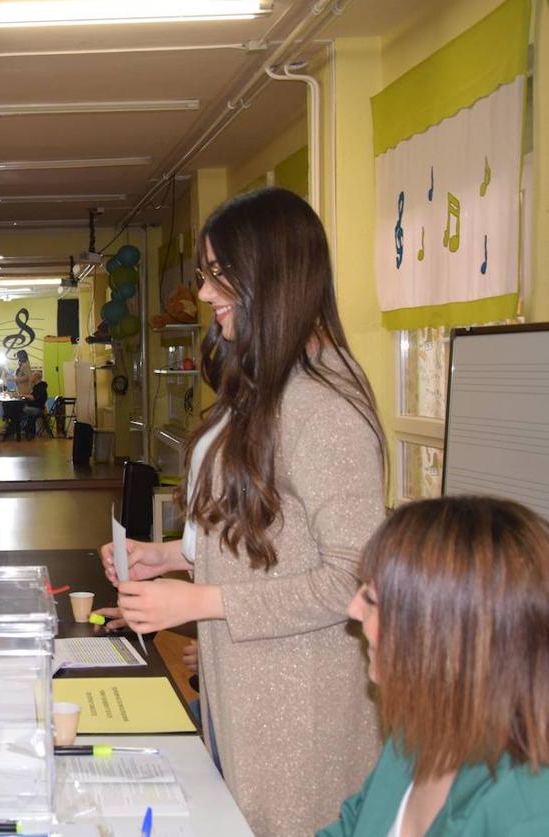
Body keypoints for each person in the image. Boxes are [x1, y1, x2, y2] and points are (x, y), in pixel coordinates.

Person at [100, 187, 386, 836]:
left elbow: (353, 577)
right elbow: (264, 529)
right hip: (246, 691)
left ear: (271, 272)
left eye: (216, 274)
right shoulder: (268, 384)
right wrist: (172, 555)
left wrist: (199, 602)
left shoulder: (327, 406)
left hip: (299, 710)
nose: (203, 294)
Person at [320, 496, 549, 836]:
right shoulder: (422, 722)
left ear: (442, 633)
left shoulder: (527, 815)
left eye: (371, 598)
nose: (353, 609)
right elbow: (354, 823)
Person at [19, 368, 48, 439]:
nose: (31, 377)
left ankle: (24, 430)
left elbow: (33, 397)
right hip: (35, 408)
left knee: (20, 410)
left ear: (36, 377)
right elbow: (31, 397)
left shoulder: (41, 387)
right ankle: (27, 430)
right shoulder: (37, 387)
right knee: (25, 412)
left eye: (32, 376)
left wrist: (22, 395)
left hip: (38, 409)